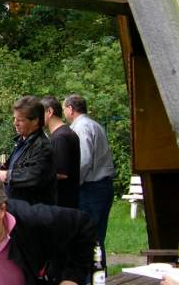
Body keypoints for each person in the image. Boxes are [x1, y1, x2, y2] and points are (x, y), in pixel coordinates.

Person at [63, 94, 115, 268]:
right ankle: (98, 276)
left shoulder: (81, 127)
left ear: (70, 109)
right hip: (102, 186)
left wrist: (73, 185)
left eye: (64, 109)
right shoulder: (95, 125)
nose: (64, 113)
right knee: (97, 238)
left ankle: (90, 277)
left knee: (88, 237)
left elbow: (83, 160)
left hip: (92, 188)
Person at [0, 96, 56, 205]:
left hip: (33, 212)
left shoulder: (42, 146)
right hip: (18, 207)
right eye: (14, 119)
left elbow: (33, 176)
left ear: (35, 121)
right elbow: (14, 165)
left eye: (20, 120)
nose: (15, 123)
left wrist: (5, 175)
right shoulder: (22, 141)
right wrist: (0, 168)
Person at [41, 96, 80, 209]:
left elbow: (61, 173)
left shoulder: (60, 137)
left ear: (49, 112)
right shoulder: (65, 133)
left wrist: (34, 175)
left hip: (62, 202)